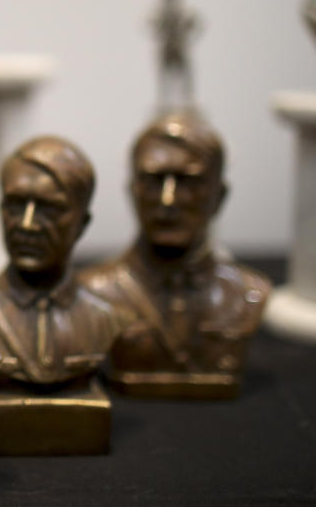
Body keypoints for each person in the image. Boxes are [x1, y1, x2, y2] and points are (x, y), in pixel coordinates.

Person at [78, 113, 271, 396]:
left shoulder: (248, 293)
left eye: (188, 182)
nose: (168, 200)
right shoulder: (92, 292)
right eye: (154, 181)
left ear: (219, 196)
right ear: (133, 192)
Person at [0, 136, 126, 387]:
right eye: (16, 205)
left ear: (82, 224)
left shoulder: (109, 321)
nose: (27, 224)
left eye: (49, 209)